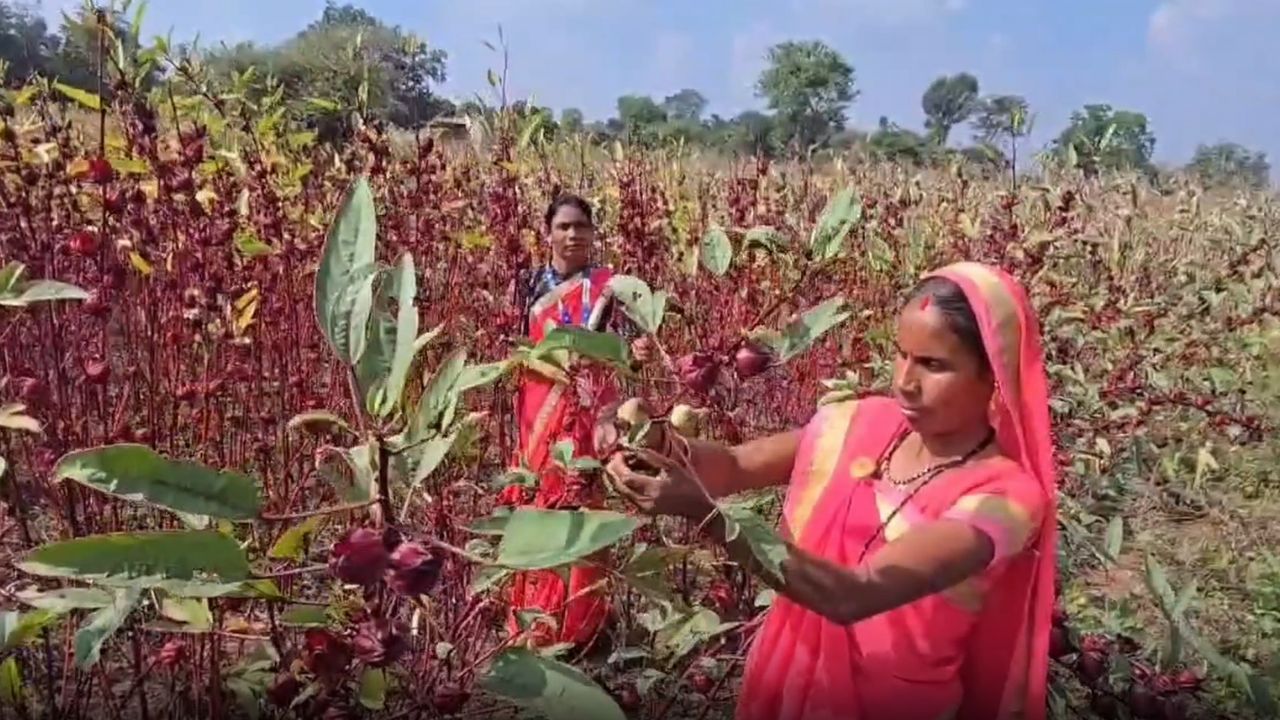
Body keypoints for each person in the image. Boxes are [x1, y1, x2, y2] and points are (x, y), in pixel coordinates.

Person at [606, 262, 1057, 720]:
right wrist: (655, 439)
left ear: (994, 377)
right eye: (901, 354)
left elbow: (854, 594)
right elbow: (733, 465)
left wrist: (711, 518)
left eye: (933, 365)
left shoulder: (1004, 499)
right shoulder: (860, 422)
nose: (905, 381)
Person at [497, 194, 653, 648]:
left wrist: (637, 355)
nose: (573, 235)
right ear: (548, 233)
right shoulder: (526, 284)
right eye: (564, 226)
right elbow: (513, 344)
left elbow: (626, 354)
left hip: (591, 415)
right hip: (539, 410)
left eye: (581, 227)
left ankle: (582, 623)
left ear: (593, 233)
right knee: (539, 501)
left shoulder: (608, 288)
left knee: (584, 501)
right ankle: (533, 622)